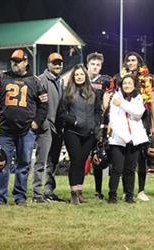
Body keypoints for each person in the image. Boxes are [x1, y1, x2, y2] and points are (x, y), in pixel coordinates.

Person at [0, 49, 48, 206]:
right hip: (5, 130)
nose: (14, 64)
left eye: (18, 61)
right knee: (2, 164)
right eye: (13, 61)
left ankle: (20, 197)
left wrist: (36, 123)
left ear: (26, 62)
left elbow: (44, 105)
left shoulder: (36, 81)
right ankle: (0, 197)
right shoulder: (1, 78)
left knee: (23, 164)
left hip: (26, 131)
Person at [113, 52, 154, 201]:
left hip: (141, 118)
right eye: (128, 60)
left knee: (141, 158)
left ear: (139, 62)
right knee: (125, 160)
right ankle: (127, 191)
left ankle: (141, 190)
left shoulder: (147, 77)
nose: (131, 62)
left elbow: (151, 102)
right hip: (122, 120)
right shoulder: (119, 78)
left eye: (134, 60)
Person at [62, 64, 102, 205]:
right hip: (72, 132)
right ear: (73, 77)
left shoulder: (93, 92)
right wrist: (74, 121)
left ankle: (79, 191)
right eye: (76, 75)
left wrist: (96, 125)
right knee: (76, 161)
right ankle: (73, 193)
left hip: (89, 134)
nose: (79, 77)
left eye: (81, 74)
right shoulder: (67, 92)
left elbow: (98, 112)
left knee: (82, 163)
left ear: (86, 76)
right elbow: (61, 113)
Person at [108, 74, 149, 204]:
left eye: (130, 83)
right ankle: (112, 196)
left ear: (134, 85)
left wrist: (123, 104)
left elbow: (138, 113)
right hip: (118, 140)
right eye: (125, 83)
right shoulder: (115, 97)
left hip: (135, 140)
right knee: (117, 169)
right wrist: (126, 138)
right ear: (121, 85)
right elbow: (113, 121)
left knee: (130, 170)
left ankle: (129, 196)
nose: (127, 86)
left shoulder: (138, 98)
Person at [32, 52, 65, 203]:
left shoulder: (60, 81)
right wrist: (41, 123)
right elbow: (35, 105)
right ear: (48, 64)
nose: (57, 65)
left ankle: (48, 191)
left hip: (57, 127)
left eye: (60, 63)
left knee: (53, 162)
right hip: (45, 126)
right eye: (54, 63)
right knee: (41, 161)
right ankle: (37, 194)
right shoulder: (41, 80)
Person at [86, 52, 112, 200]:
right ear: (87, 65)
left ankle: (98, 190)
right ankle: (78, 189)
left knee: (98, 155)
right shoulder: (81, 78)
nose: (95, 67)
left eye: (98, 64)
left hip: (100, 123)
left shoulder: (105, 81)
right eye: (93, 64)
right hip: (83, 122)